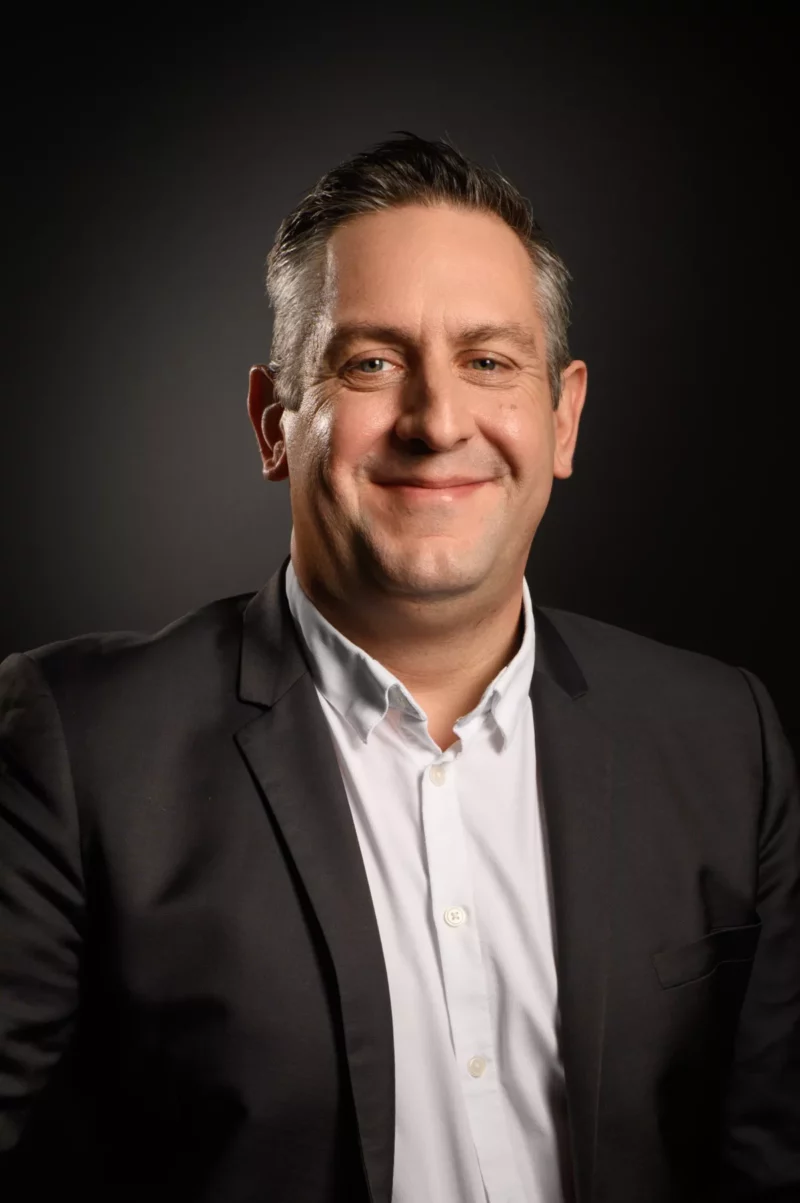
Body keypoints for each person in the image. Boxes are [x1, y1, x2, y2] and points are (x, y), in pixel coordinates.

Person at [1, 131, 798, 1203]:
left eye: (487, 362)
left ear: (560, 418)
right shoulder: (77, 747)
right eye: (370, 362)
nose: (435, 421)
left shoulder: (720, 739)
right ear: (273, 423)